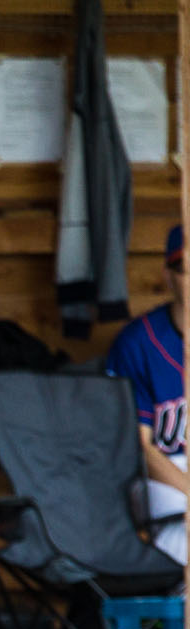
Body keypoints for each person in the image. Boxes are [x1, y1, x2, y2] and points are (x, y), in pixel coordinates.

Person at [104, 222, 190, 564]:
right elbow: (139, 447)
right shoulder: (139, 342)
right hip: (161, 476)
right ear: (168, 276)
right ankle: (169, 615)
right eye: (186, 269)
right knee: (180, 527)